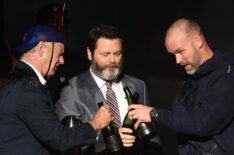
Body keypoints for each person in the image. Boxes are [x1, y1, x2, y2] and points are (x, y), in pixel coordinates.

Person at [0, 25, 113, 155]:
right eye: (59, 54)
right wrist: (95, 124)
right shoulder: (28, 88)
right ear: (41, 48)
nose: (62, 61)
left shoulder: (15, 80)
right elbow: (59, 139)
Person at [128, 18, 234, 155]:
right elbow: (180, 118)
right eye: (173, 54)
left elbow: (204, 123)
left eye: (180, 51)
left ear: (198, 41)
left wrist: (154, 114)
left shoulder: (227, 75)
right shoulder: (194, 72)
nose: (177, 60)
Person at [55, 24, 163, 155]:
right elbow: (67, 145)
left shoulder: (138, 85)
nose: (112, 60)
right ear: (90, 53)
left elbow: (152, 140)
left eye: (117, 53)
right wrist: (107, 140)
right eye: (105, 54)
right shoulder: (71, 91)